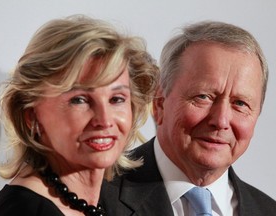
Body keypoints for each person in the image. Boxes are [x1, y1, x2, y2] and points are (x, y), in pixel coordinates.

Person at [100, 21, 276, 215]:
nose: (221, 121)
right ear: (159, 103)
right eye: (203, 97)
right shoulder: (96, 193)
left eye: (240, 104)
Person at [0, 14, 159, 216]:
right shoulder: (24, 210)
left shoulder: (105, 203)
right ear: (31, 116)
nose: (104, 120)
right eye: (79, 100)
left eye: (117, 99)